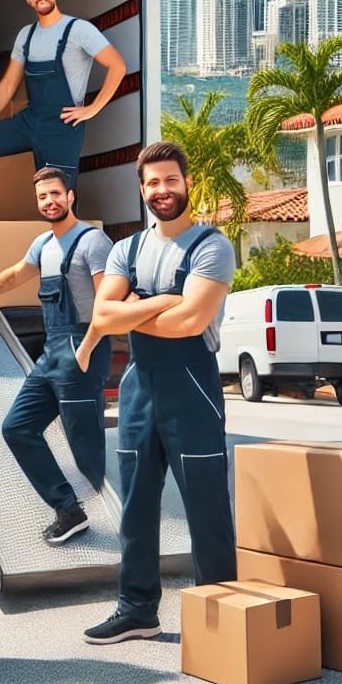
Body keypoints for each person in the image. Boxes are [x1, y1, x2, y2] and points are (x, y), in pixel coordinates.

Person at [72, 142, 237, 645]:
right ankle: (138, 609)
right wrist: (166, 301)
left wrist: (141, 306)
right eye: (152, 183)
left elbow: (192, 321)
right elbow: (102, 317)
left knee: (206, 508)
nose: (161, 190)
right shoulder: (126, 249)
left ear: (187, 183)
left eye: (170, 180)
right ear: (141, 189)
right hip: (139, 387)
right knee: (137, 506)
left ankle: (222, 618)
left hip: (193, 388)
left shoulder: (212, 246)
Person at [0, 167, 113, 543]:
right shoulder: (43, 245)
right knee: (17, 428)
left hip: (82, 345)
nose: (49, 202)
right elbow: (14, 275)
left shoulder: (93, 241)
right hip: (52, 350)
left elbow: (108, 303)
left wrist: (86, 350)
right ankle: (68, 509)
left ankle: (120, 519)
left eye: (55, 194)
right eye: (42, 196)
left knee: (85, 446)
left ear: (71, 196)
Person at [0, 0, 126, 228]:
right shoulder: (25, 36)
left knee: (58, 197)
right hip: (31, 120)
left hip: (63, 126)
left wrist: (92, 108)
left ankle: (66, 256)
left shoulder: (79, 30)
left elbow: (117, 65)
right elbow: (8, 84)